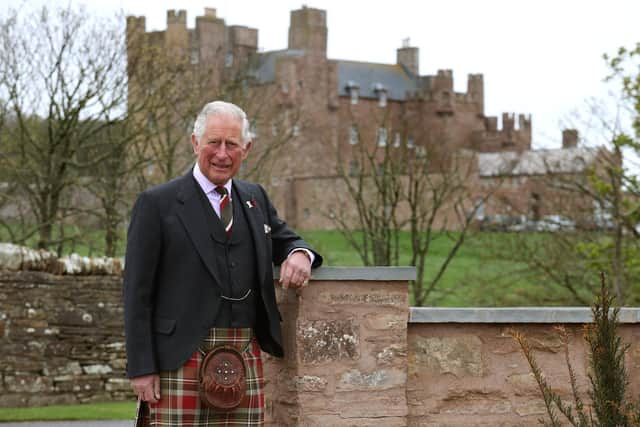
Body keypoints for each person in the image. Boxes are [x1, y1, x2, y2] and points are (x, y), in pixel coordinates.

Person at [123, 100, 322, 426]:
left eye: (232, 144)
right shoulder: (157, 204)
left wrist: (300, 254)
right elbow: (136, 293)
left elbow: (287, 240)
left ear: (246, 148)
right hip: (178, 357)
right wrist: (141, 368)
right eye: (213, 142)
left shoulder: (254, 198)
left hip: (244, 352)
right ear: (195, 142)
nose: (222, 154)